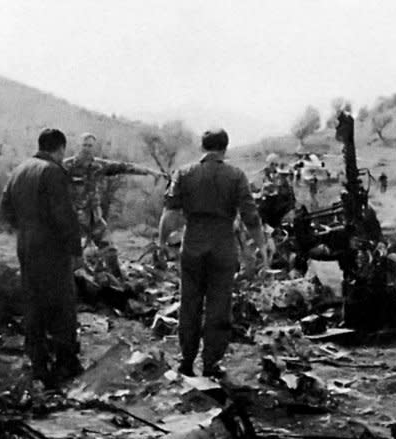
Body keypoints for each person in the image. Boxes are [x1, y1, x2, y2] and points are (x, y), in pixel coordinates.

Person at [158, 128, 269, 379]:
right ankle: (211, 363)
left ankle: (186, 360)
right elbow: (250, 215)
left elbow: (170, 213)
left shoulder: (184, 174)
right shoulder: (236, 176)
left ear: (203, 147)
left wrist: (162, 242)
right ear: (225, 148)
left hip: (193, 241)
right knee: (220, 305)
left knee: (189, 302)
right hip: (222, 245)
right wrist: (261, 247)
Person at [1, 128, 83, 387]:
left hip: (25, 244)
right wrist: (75, 250)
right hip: (51, 247)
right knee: (62, 304)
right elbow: (64, 215)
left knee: (33, 300)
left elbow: (5, 207)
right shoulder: (53, 171)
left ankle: (37, 361)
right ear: (59, 149)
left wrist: (24, 228)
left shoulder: (19, 170)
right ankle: (66, 361)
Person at [63, 133, 161, 279]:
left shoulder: (98, 166)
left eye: (90, 145)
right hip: (74, 218)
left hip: (94, 216)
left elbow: (123, 167)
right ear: (78, 146)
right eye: (84, 145)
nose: (87, 149)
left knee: (109, 251)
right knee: (73, 256)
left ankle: (119, 282)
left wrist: (149, 172)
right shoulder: (66, 166)